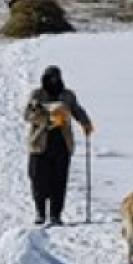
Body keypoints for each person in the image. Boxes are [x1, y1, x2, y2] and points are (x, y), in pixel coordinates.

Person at [23, 64, 93, 226]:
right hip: (40, 142)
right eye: (50, 78)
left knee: (59, 180)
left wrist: (85, 123)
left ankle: (55, 214)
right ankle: (40, 212)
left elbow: (76, 110)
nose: (53, 81)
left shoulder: (67, 95)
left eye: (56, 78)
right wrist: (49, 118)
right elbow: (27, 115)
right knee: (39, 179)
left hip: (62, 142)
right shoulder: (37, 95)